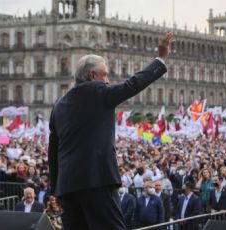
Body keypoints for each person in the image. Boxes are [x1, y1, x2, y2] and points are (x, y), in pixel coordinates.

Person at [48, 32, 174, 230]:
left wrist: (54, 188)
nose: (108, 80)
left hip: (67, 187)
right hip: (96, 182)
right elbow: (133, 84)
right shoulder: (99, 92)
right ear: (92, 76)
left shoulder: (59, 105)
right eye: (105, 74)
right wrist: (161, 58)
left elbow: (53, 152)